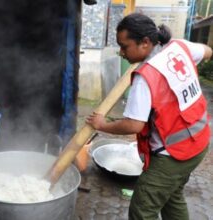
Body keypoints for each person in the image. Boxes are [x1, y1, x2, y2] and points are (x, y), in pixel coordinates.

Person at [86, 13, 212, 220]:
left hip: (173, 155)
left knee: (142, 210)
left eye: (124, 46)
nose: (121, 52)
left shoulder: (145, 77)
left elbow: (134, 125)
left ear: (145, 42)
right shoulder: (178, 47)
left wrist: (102, 124)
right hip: (199, 142)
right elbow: (207, 51)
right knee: (172, 197)